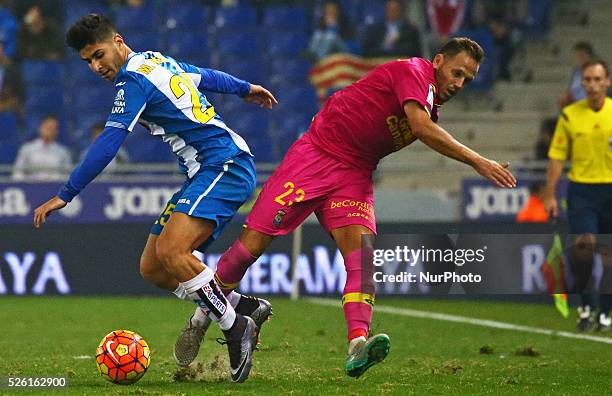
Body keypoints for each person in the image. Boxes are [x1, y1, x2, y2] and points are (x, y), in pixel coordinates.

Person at [177, 37, 517, 377]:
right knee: (250, 246)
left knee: (363, 257)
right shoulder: (414, 72)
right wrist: (477, 161)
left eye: (467, 80)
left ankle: (357, 345)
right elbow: (420, 128)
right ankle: (202, 318)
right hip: (315, 157)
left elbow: (421, 122)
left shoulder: (430, 104)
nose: (459, 84)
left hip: (354, 174)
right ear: (438, 61)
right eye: (457, 73)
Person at [32, 14, 278, 382]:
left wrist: (66, 194)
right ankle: (243, 306)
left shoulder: (132, 82)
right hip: (204, 172)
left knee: (172, 253)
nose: (97, 66)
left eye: (99, 55)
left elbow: (108, 143)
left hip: (224, 166)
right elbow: (205, 76)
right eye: (88, 62)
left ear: (117, 40)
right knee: (153, 267)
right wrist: (245, 88)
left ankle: (234, 327)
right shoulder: (154, 59)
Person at [544, 59, 612, 332]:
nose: (593, 85)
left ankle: (605, 312)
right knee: (584, 246)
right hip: (582, 190)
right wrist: (549, 194)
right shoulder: (570, 114)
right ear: (582, 83)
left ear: (607, 81)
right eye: (588, 80)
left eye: (598, 79)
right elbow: (557, 156)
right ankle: (586, 301)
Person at [12, 115, 72, 180]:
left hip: (56, 186)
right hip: (31, 186)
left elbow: (68, 175)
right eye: (47, 127)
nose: (49, 130)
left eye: (52, 128)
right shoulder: (27, 149)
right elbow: (17, 172)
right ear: (40, 128)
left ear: (56, 132)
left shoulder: (63, 152)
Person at [557, 41, 595, 109]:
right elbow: (571, 89)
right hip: (575, 105)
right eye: (577, 55)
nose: (579, 58)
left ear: (589, 56)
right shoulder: (576, 72)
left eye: (581, 55)